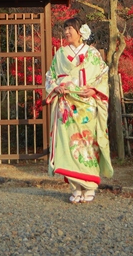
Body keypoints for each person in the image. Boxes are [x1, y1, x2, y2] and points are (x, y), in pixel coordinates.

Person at [45, 18, 113, 203]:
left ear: (80, 32)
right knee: (68, 145)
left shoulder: (92, 53)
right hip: (66, 104)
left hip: (87, 105)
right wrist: (56, 87)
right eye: (65, 29)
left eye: (70, 29)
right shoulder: (60, 54)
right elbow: (50, 76)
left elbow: (101, 74)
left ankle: (89, 186)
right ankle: (75, 186)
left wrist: (94, 90)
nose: (67, 32)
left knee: (87, 143)